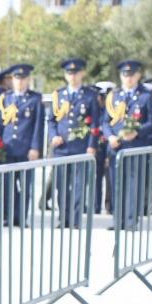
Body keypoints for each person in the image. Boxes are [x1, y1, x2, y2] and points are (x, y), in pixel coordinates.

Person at [105, 60, 152, 230]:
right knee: (116, 184)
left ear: (138, 75)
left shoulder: (145, 96)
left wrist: (137, 132)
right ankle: (118, 219)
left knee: (133, 184)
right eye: (125, 75)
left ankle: (130, 220)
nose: (128, 78)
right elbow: (105, 121)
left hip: (136, 146)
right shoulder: (114, 96)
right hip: (117, 147)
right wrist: (110, 137)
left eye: (131, 75)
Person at [47, 57, 102, 226]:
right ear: (65, 75)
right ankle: (64, 218)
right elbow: (52, 120)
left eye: (76, 73)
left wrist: (92, 145)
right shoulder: (59, 95)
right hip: (62, 148)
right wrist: (53, 135)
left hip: (81, 146)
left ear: (82, 74)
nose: (73, 76)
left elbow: (95, 123)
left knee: (79, 186)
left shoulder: (90, 96)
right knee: (61, 186)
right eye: (69, 73)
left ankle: (76, 219)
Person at [0, 64, 45, 224]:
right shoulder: (6, 98)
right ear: (12, 80)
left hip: (25, 148)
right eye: (16, 78)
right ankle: (8, 216)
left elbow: (37, 126)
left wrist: (35, 147)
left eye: (23, 78)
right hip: (7, 148)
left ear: (28, 80)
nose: (20, 82)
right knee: (8, 185)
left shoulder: (35, 99)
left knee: (24, 186)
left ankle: (21, 217)